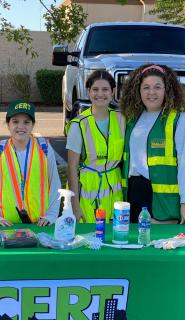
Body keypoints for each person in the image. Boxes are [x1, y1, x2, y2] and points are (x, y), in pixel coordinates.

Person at [120, 64, 185, 225]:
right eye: (146, 87)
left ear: (167, 90)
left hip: (162, 200)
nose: (151, 92)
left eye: (157, 87)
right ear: (138, 91)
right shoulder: (132, 119)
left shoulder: (181, 120)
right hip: (132, 193)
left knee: (160, 246)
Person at [0, 99, 61, 227]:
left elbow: (54, 182)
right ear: (8, 124)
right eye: (15, 121)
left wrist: (51, 215)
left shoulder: (44, 148)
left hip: (39, 222)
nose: (20, 127)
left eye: (26, 122)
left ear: (33, 125)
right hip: (7, 222)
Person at [66, 70, 126, 223]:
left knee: (115, 238)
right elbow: (72, 168)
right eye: (95, 89)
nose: (100, 94)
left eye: (105, 89)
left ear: (113, 92)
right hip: (87, 194)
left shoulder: (121, 119)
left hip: (115, 193)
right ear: (88, 92)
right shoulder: (78, 125)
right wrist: (75, 206)